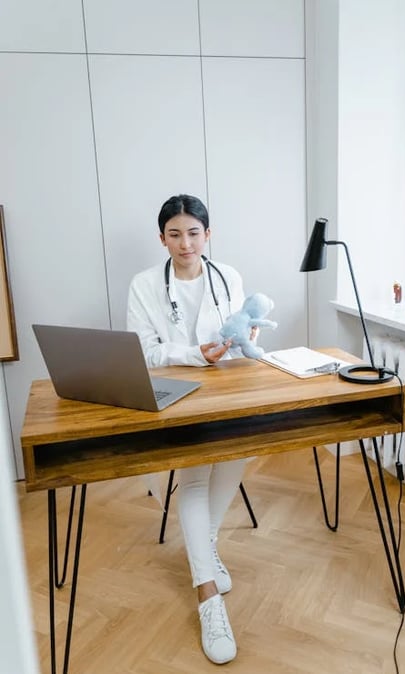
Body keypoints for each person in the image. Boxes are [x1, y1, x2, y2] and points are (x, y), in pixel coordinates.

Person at [127, 194, 254, 665]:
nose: (185, 243)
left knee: (243, 448)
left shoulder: (229, 277)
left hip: (227, 389)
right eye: (175, 234)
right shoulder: (144, 285)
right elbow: (145, 352)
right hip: (174, 394)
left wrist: (244, 338)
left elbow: (240, 333)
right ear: (161, 238)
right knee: (197, 476)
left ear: (208, 234)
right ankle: (208, 597)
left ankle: (206, 546)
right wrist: (194, 354)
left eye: (193, 232)